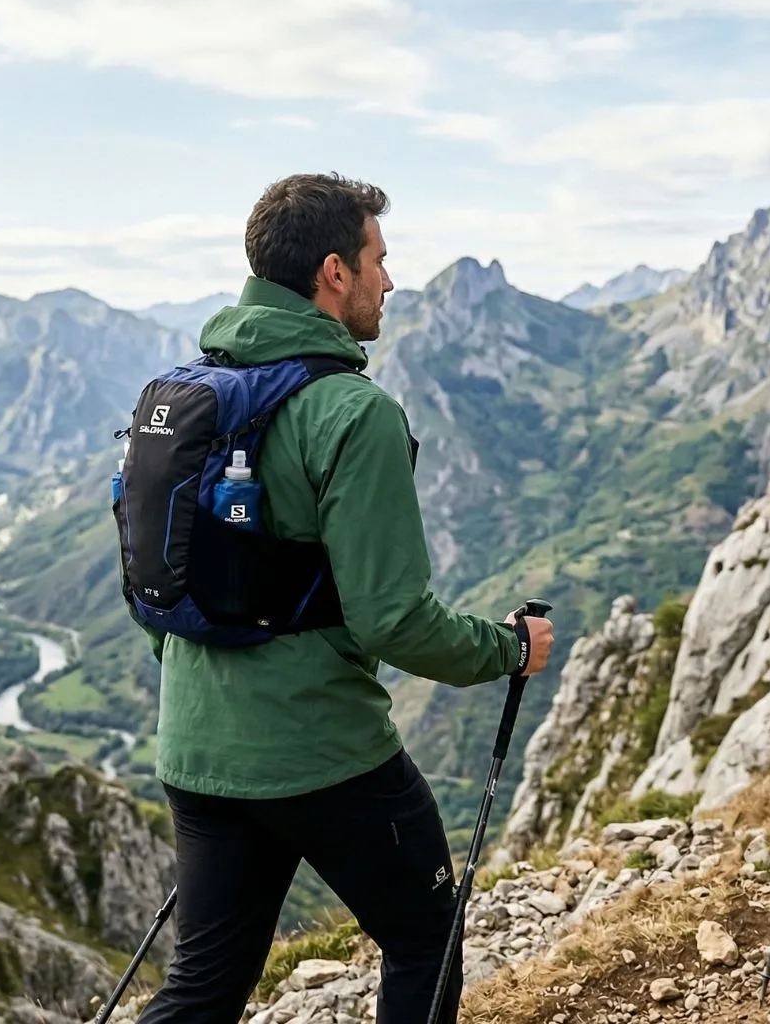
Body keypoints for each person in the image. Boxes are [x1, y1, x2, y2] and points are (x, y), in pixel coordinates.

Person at [135, 172, 555, 1024]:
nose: (389, 281)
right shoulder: (352, 413)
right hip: (323, 752)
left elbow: (158, 587)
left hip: (195, 748)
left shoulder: (188, 393)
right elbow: (392, 619)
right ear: (335, 272)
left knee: (203, 988)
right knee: (425, 938)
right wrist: (510, 649)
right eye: (379, 259)